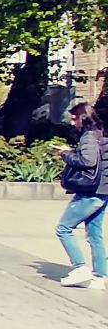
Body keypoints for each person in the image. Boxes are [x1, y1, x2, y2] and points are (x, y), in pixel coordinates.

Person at [56, 102, 108, 288]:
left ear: (83, 117)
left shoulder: (88, 137)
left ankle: (80, 268)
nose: (72, 123)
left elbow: (88, 161)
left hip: (90, 192)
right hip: (102, 191)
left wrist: (66, 154)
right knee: (95, 234)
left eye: (74, 118)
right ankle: (99, 277)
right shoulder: (101, 133)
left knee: (63, 229)